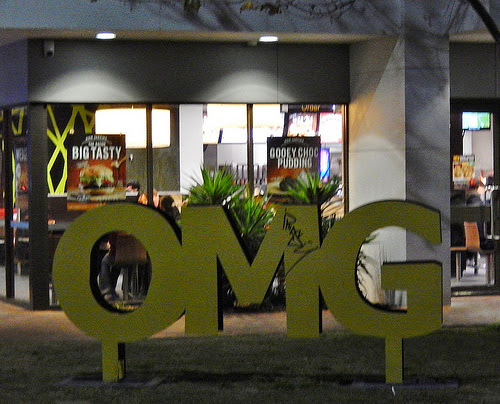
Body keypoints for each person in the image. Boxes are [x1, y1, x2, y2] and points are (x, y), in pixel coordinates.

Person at [99, 232, 120, 302]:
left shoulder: (115, 233)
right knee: (118, 264)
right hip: (136, 257)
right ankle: (112, 289)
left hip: (116, 255)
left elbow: (112, 244)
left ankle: (107, 290)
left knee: (105, 261)